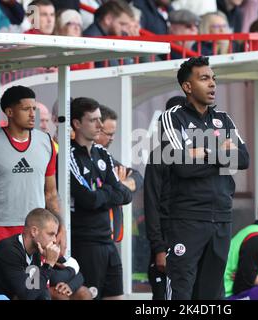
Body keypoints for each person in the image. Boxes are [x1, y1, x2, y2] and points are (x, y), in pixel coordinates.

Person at [160, 56, 249, 300]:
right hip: (188, 219)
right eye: (204, 79)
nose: (212, 84)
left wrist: (203, 152)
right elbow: (182, 167)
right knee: (180, 291)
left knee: (211, 294)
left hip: (221, 217)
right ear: (187, 87)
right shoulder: (173, 118)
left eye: (213, 79)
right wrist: (221, 149)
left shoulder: (223, 118)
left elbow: (243, 159)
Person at [0, 85, 65, 255]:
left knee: (33, 280)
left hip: (36, 231)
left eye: (34, 108)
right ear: (9, 112)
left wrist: (61, 228)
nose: (33, 114)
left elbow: (51, 194)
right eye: (26, 109)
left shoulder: (46, 142)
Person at [69, 97, 132, 300]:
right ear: (77, 124)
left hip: (108, 240)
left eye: (100, 119)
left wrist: (104, 192)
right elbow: (88, 199)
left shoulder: (102, 153)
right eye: (93, 120)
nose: (100, 125)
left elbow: (126, 194)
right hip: (85, 243)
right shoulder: (69, 155)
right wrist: (110, 191)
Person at [144, 95, 186, 300]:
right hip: (168, 244)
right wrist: (159, 248)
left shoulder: (203, 153)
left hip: (194, 240)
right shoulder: (160, 155)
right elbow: (151, 204)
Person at [0, 208, 61, 300]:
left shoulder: (36, 250)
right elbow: (27, 295)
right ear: (34, 231)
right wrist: (48, 264)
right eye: (51, 234)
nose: (54, 240)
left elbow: (37, 289)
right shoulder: (9, 251)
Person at [94, 105, 143, 242]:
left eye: (113, 134)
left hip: (111, 236)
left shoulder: (106, 157)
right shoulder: (83, 158)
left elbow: (137, 177)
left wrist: (121, 184)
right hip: (94, 235)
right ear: (96, 129)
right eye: (109, 134)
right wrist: (117, 188)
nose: (112, 138)